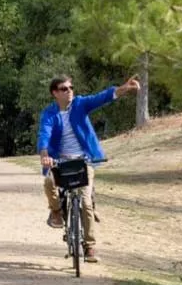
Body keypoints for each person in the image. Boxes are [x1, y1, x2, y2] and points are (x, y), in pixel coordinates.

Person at [36, 74, 140, 263]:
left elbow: (102, 97)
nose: (69, 91)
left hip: (84, 160)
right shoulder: (49, 114)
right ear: (55, 93)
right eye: (64, 89)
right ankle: (57, 211)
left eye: (71, 88)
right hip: (60, 161)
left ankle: (89, 246)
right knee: (49, 182)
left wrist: (124, 88)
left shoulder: (80, 104)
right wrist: (45, 155)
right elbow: (44, 134)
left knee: (85, 202)